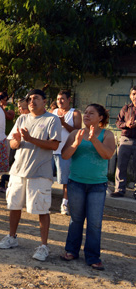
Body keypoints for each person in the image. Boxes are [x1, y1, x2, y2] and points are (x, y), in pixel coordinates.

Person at [0, 89, 61, 262]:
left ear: (45, 101)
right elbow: (13, 143)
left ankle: (43, 246)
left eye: (36, 98)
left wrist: (30, 139)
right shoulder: (22, 118)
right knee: (14, 205)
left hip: (40, 172)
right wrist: (17, 141)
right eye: (29, 99)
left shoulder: (52, 119)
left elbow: (54, 145)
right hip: (18, 170)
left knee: (41, 209)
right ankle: (12, 237)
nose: (31, 102)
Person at [60, 104, 115, 271]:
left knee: (94, 223)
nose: (87, 115)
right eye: (86, 112)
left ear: (100, 118)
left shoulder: (108, 134)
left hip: (97, 185)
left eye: (92, 113)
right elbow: (65, 155)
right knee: (75, 219)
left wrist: (94, 140)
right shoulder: (75, 133)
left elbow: (107, 154)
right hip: (76, 183)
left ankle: (92, 257)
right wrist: (76, 143)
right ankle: (71, 251)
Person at [52, 90, 82, 214]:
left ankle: (65, 203)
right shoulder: (53, 112)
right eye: (58, 99)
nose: (60, 101)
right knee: (46, 176)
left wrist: (64, 123)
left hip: (65, 151)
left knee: (66, 180)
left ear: (69, 99)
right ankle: (44, 201)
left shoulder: (74, 113)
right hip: (51, 150)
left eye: (63, 99)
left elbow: (77, 132)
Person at [112, 86, 136, 199]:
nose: (135, 96)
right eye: (134, 94)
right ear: (130, 96)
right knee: (121, 165)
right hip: (126, 139)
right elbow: (117, 123)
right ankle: (119, 189)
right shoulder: (126, 108)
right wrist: (126, 125)